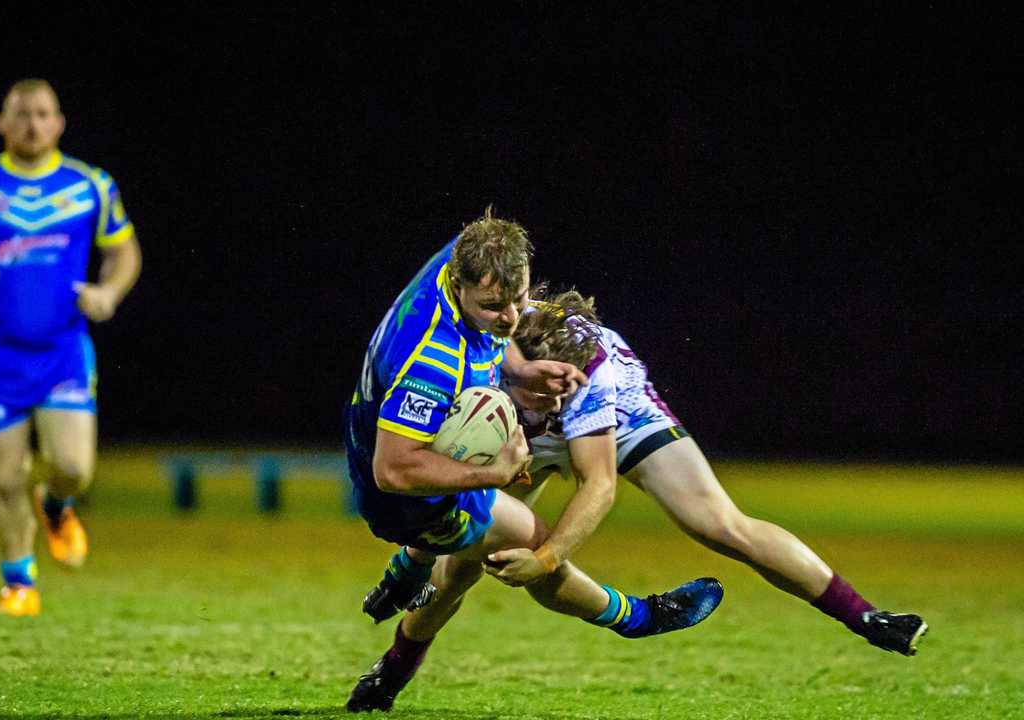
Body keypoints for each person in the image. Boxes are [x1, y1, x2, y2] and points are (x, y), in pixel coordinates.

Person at [343, 211, 724, 713]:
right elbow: (391, 472)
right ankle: (638, 619)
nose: (510, 316)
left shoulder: (464, 255)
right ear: (459, 286)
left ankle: (393, 655)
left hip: (408, 445)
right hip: (403, 498)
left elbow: (496, 320)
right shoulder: (431, 358)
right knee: (536, 548)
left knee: (461, 570)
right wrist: (493, 475)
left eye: (518, 298)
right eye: (493, 306)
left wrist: (518, 369)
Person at [502, 287, 928, 655]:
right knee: (468, 553)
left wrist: (548, 557)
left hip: (622, 414)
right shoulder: (480, 339)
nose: (555, 406)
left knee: (719, 524)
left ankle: (866, 616)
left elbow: (598, 483)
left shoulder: (592, 370)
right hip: (522, 409)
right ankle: (637, 617)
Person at [0, 79, 141, 617]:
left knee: (72, 467)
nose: (32, 124)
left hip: (62, 352)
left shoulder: (90, 185)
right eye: (21, 114)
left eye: (43, 114)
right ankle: (19, 585)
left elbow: (125, 253)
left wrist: (108, 293)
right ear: (2, 123)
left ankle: (58, 505)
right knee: (4, 477)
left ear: (59, 123)